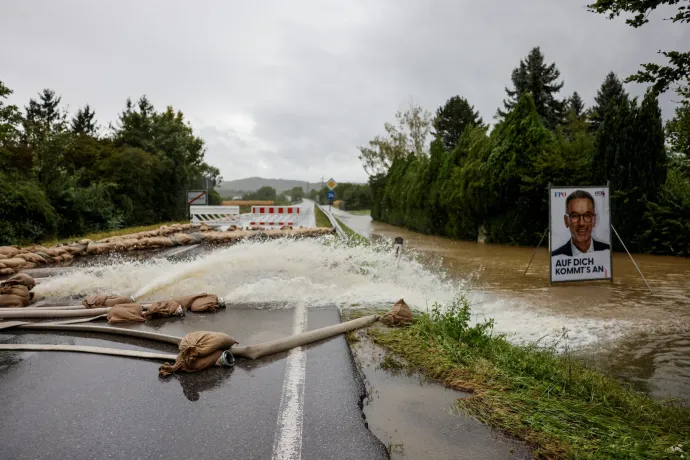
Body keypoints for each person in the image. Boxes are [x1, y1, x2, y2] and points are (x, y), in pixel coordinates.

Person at [551, 190, 610, 257]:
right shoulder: (555, 257)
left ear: (594, 220)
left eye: (587, 215)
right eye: (575, 216)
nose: (581, 223)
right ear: (566, 221)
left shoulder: (607, 252)